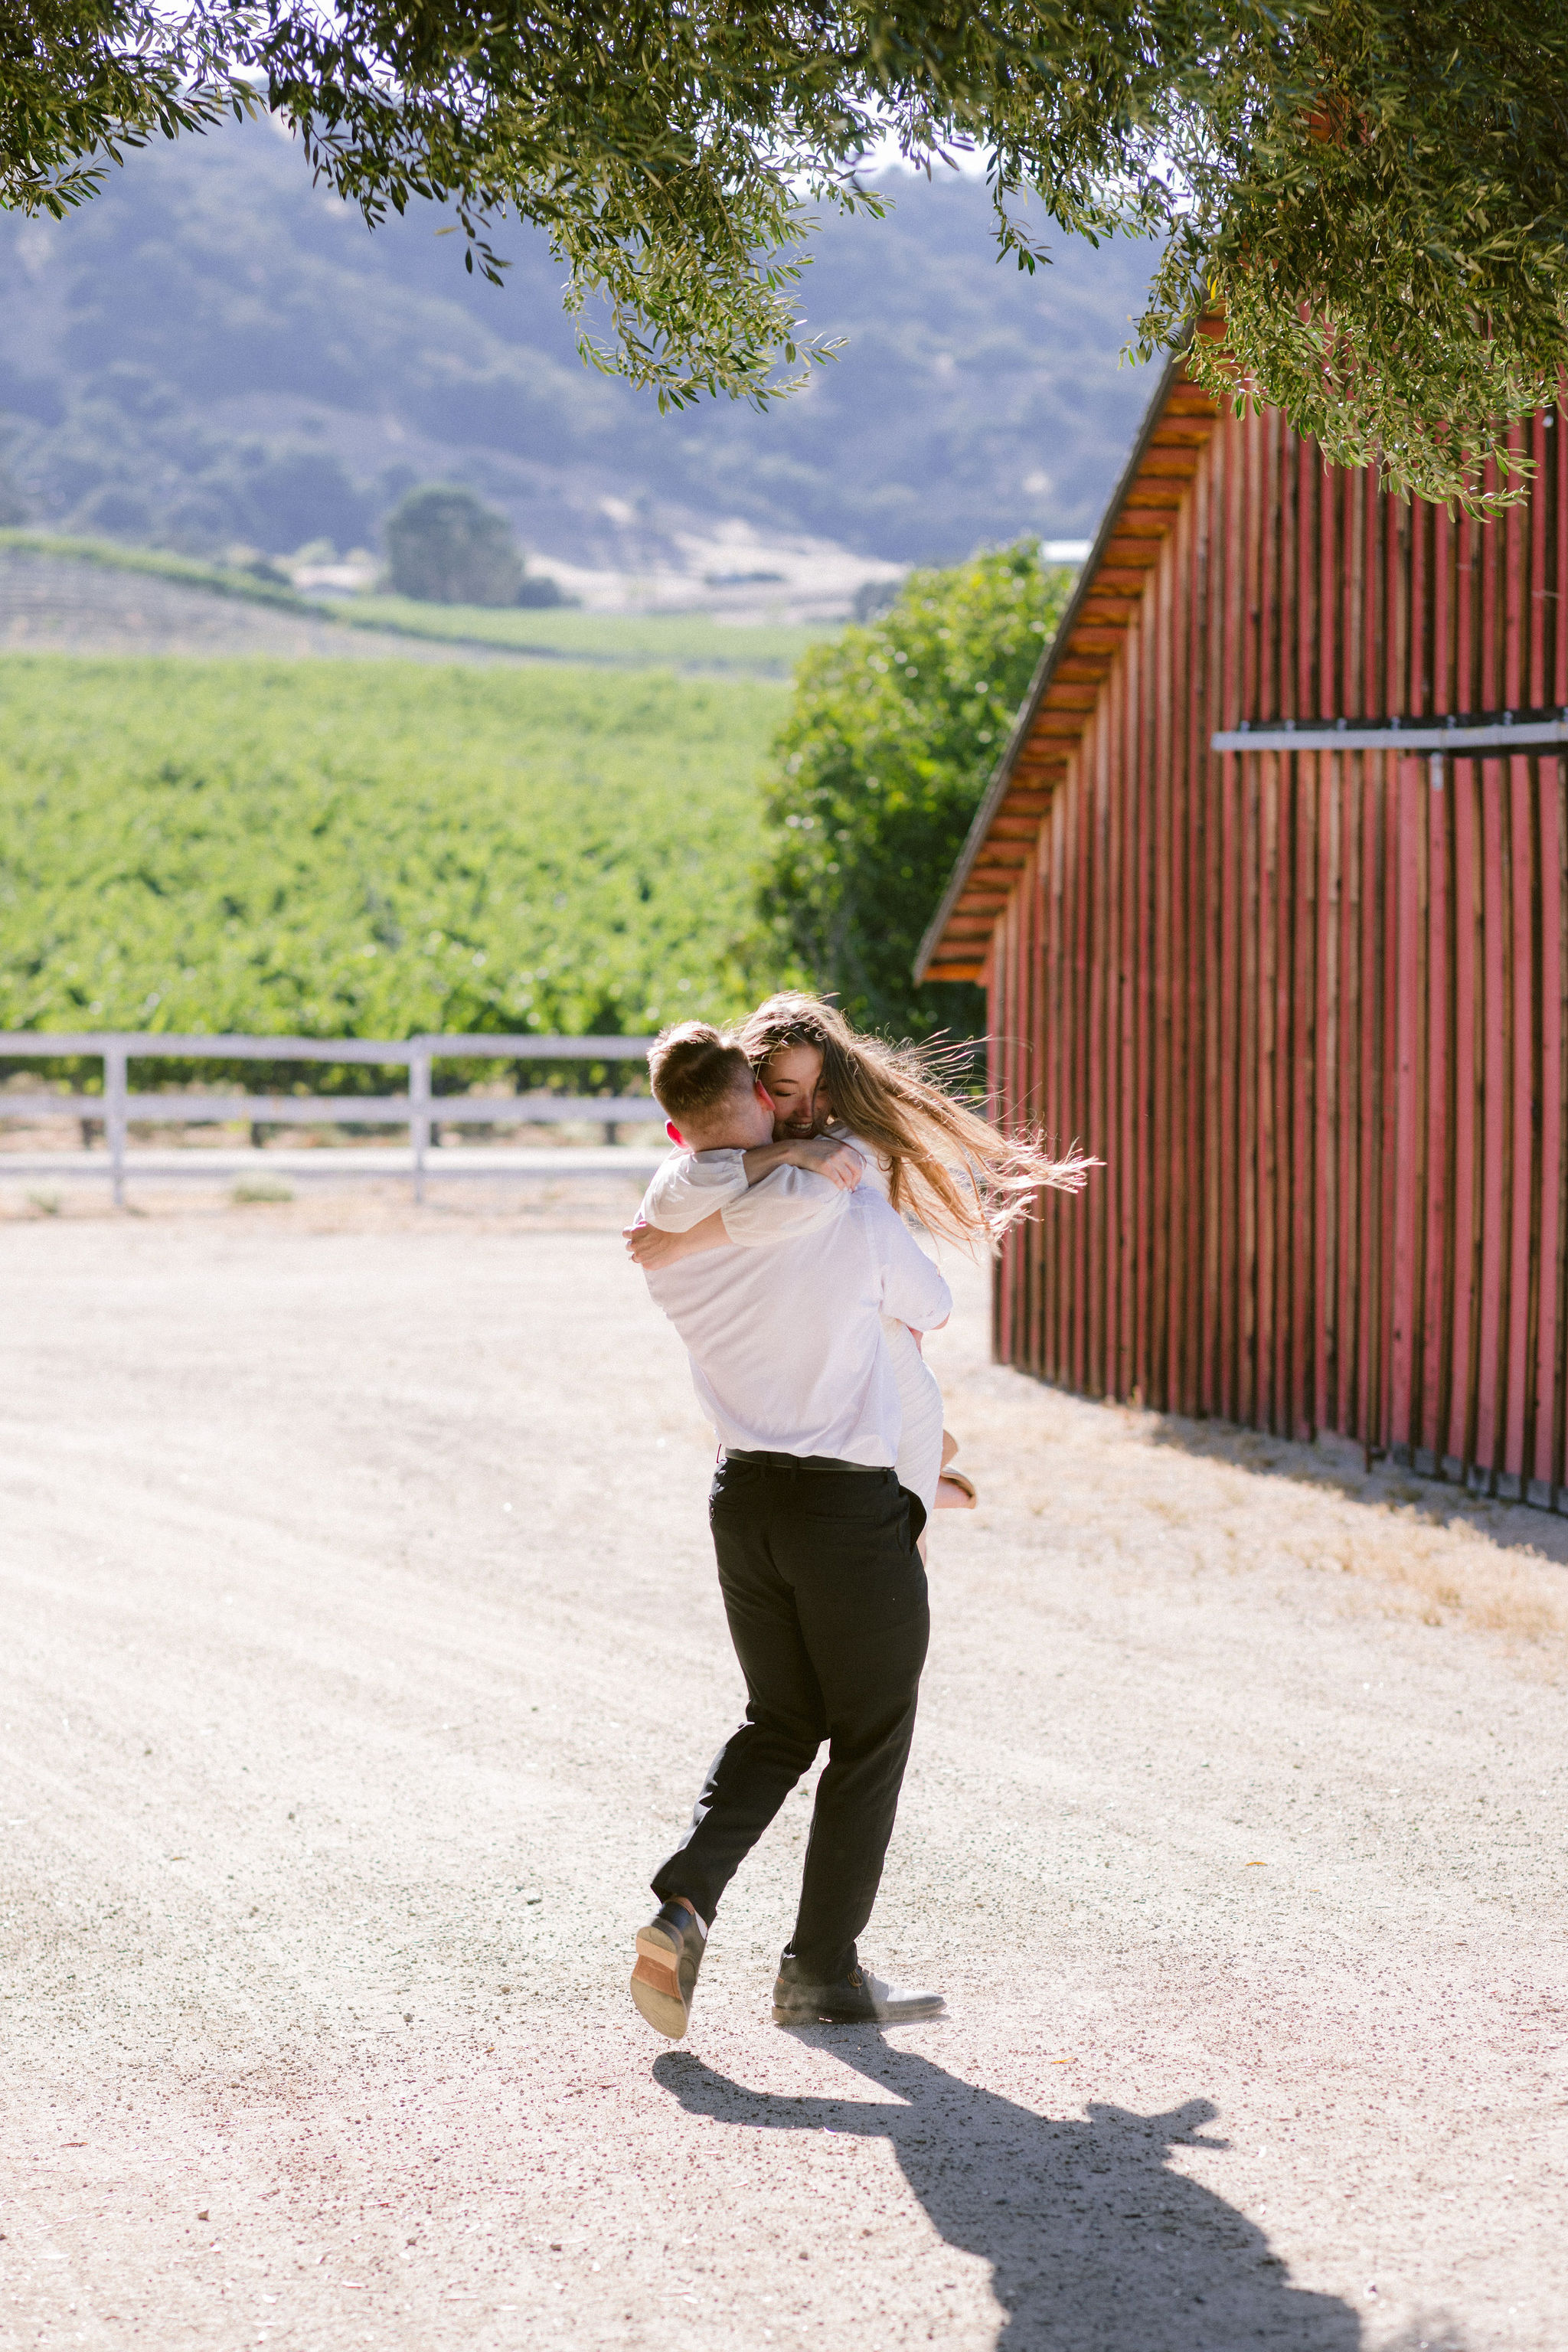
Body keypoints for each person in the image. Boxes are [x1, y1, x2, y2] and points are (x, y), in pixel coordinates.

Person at [626, 1020, 954, 2040]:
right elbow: (933, 1303)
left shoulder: (666, 1237)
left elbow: (699, 1194)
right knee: (871, 1732)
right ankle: (820, 1972)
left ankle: (685, 1901)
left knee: (779, 1721)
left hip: (744, 1501)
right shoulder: (844, 1209)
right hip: (844, 1506)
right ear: (757, 1100)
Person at [626, 991, 1094, 1521]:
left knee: (905, 1543)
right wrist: (774, 1155)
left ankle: (929, 1478)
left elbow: (788, 1211)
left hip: (887, 1390)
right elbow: (689, 1188)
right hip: (811, 1403)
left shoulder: (843, 1153)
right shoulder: (736, 1158)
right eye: (786, 1091)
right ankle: (931, 1476)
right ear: (758, 1093)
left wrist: (683, 1240)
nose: (808, 1111)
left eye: (823, 1089)